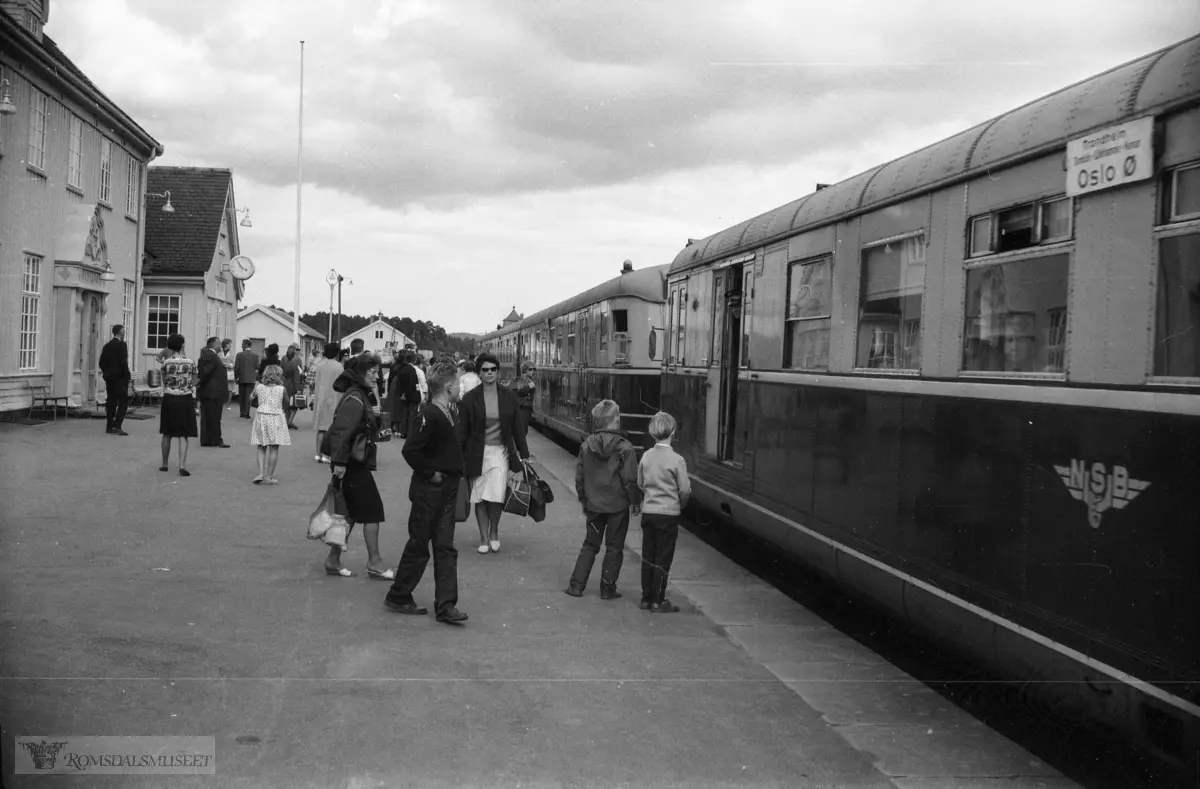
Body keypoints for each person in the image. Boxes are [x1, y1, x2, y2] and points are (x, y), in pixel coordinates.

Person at [384, 360, 468, 624]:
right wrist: (431, 473)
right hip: (430, 490)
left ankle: (445, 605)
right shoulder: (430, 414)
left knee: (444, 547)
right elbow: (411, 450)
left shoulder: (448, 412)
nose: (460, 389)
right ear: (449, 386)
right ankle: (399, 594)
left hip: (446, 490)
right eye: (458, 384)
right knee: (420, 545)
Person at [321, 353, 391, 579]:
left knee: (349, 513)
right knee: (373, 511)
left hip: (352, 462)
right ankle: (375, 562)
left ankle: (333, 560)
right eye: (372, 373)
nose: (376, 377)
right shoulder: (356, 397)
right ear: (361, 373)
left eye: (377, 373)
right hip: (352, 463)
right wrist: (339, 463)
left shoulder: (360, 394)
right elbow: (342, 431)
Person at [565, 399, 642, 599]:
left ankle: (576, 586)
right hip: (617, 507)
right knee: (614, 547)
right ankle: (607, 589)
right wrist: (635, 501)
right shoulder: (625, 448)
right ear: (616, 420)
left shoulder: (586, 446)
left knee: (590, 544)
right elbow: (630, 479)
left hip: (594, 505)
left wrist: (584, 500)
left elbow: (579, 478)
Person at [459, 351, 530, 555]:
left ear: (498, 372)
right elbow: (463, 430)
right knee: (480, 496)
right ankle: (482, 537)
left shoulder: (508, 396)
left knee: (496, 495)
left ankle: (494, 532)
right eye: (485, 370)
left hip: (501, 452)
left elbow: (517, 427)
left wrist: (523, 454)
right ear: (479, 373)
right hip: (476, 452)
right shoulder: (470, 398)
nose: (489, 373)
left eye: (493, 369)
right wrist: (458, 456)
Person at [636, 411, 691, 613]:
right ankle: (658, 600)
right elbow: (684, 489)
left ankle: (645, 598)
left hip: (649, 512)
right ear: (673, 432)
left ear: (652, 432)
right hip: (669, 514)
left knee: (648, 555)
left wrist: (650, 496)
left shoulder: (646, 456)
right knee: (663, 557)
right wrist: (679, 503)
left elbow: (640, 483)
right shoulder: (677, 460)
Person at [158, 333, 197, 476]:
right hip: (185, 398)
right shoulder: (190, 362)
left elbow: (164, 380)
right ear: (182, 345)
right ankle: (181, 465)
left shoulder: (166, 363)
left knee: (167, 432)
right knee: (183, 433)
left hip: (169, 397)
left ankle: (164, 463)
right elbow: (195, 380)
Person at [250, 364, 291, 484]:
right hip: (276, 417)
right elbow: (287, 403)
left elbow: (251, 397)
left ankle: (260, 473)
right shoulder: (281, 389)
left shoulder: (259, 387)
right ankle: (269, 476)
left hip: (261, 416)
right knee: (274, 448)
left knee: (261, 446)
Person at [310, 342, 344, 463]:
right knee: (331, 429)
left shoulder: (319, 365)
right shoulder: (339, 367)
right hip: (334, 398)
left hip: (320, 399)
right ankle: (327, 455)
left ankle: (318, 454)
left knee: (321, 429)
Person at [197, 336, 231, 448]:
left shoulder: (209, 356)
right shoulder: (210, 356)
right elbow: (206, 373)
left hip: (209, 392)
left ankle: (208, 439)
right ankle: (214, 440)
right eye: (218, 343)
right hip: (213, 392)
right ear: (212, 344)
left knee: (209, 417)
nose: (220, 345)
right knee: (214, 417)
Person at [98, 324, 131, 436]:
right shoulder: (122, 345)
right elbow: (123, 362)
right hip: (120, 378)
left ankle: (109, 426)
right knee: (123, 403)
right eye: (123, 331)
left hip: (110, 378)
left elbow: (101, 362)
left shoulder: (107, 346)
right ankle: (117, 425)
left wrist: (107, 373)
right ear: (120, 332)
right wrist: (127, 375)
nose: (124, 333)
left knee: (111, 402)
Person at [389, 351, 421, 439]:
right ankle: (411, 433)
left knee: (405, 415)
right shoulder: (412, 370)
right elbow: (413, 383)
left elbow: (399, 384)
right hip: (413, 395)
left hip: (405, 396)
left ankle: (404, 432)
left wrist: (402, 394)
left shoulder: (402, 369)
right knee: (412, 415)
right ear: (414, 360)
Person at [234, 340, 260, 419]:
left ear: (245, 345)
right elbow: (257, 368)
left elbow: (237, 368)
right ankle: (247, 412)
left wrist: (236, 377)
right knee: (249, 396)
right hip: (251, 379)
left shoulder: (239, 355)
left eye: (242, 344)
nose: (241, 346)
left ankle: (242, 412)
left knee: (241, 396)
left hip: (241, 378)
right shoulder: (255, 356)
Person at [280, 344, 303, 430]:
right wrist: (298, 389)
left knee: (286, 404)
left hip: (284, 384)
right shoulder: (296, 362)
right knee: (294, 405)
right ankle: (289, 421)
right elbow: (297, 377)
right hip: (292, 385)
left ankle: (285, 421)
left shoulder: (283, 359)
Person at [515, 361, 535, 431]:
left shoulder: (528, 379)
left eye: (533, 369)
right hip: (523, 407)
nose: (532, 371)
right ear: (525, 370)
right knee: (523, 430)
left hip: (526, 407)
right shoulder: (524, 378)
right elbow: (520, 391)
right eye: (530, 369)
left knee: (523, 429)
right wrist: (530, 386)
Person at [220, 338, 236, 406]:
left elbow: (234, 363)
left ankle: (228, 404)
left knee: (230, 388)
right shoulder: (219, 353)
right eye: (229, 344)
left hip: (230, 372)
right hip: (221, 372)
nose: (230, 346)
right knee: (220, 386)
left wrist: (229, 365)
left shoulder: (232, 354)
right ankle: (221, 401)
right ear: (225, 344)